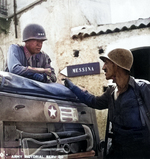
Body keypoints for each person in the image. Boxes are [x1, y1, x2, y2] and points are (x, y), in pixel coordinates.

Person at [63, 48, 150, 159]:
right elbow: (94, 101)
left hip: (141, 151)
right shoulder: (111, 92)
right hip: (118, 150)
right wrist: (71, 86)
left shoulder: (142, 88)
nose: (103, 67)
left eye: (106, 63)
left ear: (117, 65)